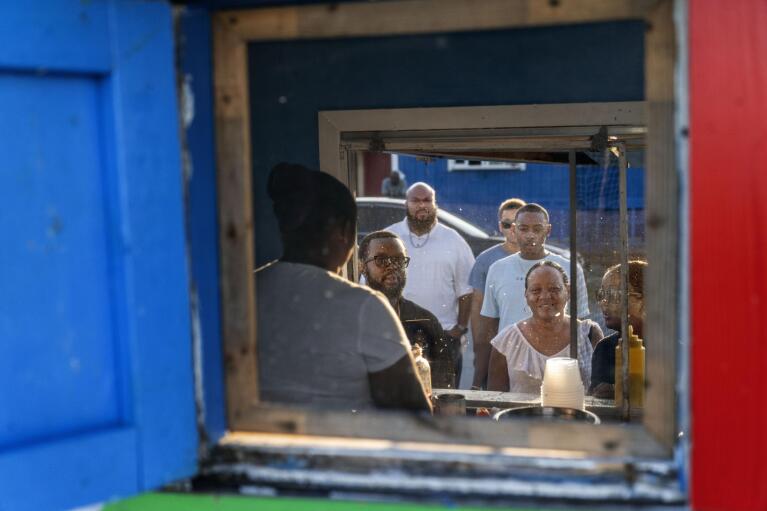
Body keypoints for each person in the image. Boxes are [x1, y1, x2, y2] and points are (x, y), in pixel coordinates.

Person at [256, 162, 431, 412]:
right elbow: (415, 416)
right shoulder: (363, 306)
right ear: (346, 232)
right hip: (336, 449)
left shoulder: (246, 291)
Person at [475, 203, 590, 387]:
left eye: (537, 229)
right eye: (523, 228)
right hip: (514, 367)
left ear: (548, 230)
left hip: (562, 363)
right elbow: (490, 326)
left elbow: (582, 324)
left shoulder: (570, 269)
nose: (530, 235)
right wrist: (479, 376)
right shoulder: (497, 269)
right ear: (513, 230)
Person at [384, 183, 475, 382]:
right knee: (400, 399)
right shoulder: (389, 238)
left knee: (444, 400)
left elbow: (466, 291)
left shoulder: (454, 241)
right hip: (397, 335)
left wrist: (459, 328)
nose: (421, 205)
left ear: (435, 204)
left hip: (443, 335)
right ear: (406, 204)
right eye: (416, 200)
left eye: (427, 200)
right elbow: (371, 286)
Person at [358, 230, 458, 389]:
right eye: (381, 260)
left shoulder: (424, 320)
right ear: (362, 266)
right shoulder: (350, 317)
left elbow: (444, 386)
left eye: (398, 260)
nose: (392, 267)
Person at [487, 261, 602, 393]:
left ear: (568, 291)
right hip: (520, 415)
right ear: (526, 295)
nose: (545, 296)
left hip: (576, 414)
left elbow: (602, 395)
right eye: (536, 290)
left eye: (554, 289)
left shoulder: (589, 334)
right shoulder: (507, 341)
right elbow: (495, 401)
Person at [468, 197, 526, 389]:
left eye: (518, 223)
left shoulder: (541, 260)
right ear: (500, 227)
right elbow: (478, 307)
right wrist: (479, 348)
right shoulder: (486, 260)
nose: (512, 228)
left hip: (535, 345)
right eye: (507, 224)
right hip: (500, 348)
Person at [589, 260, 647, 399]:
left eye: (615, 295)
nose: (604, 302)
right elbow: (596, 400)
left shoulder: (672, 350)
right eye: (602, 294)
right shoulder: (605, 348)